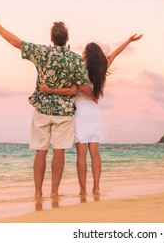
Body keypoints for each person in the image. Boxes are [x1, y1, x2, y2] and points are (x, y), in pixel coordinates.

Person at [0, 10, 92, 198]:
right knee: (59, 151)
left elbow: (16, 42)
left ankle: (38, 193)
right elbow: (82, 87)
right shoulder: (75, 59)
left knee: (40, 152)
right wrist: (94, 95)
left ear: (51, 38)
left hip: (42, 108)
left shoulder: (42, 52)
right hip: (64, 112)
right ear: (67, 39)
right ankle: (54, 191)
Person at [39, 34, 143, 195]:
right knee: (95, 152)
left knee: (81, 153)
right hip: (93, 112)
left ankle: (83, 190)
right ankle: (96, 187)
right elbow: (115, 54)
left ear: (87, 54)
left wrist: (49, 90)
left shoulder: (79, 67)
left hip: (80, 111)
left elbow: (73, 89)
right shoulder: (102, 67)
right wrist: (129, 41)